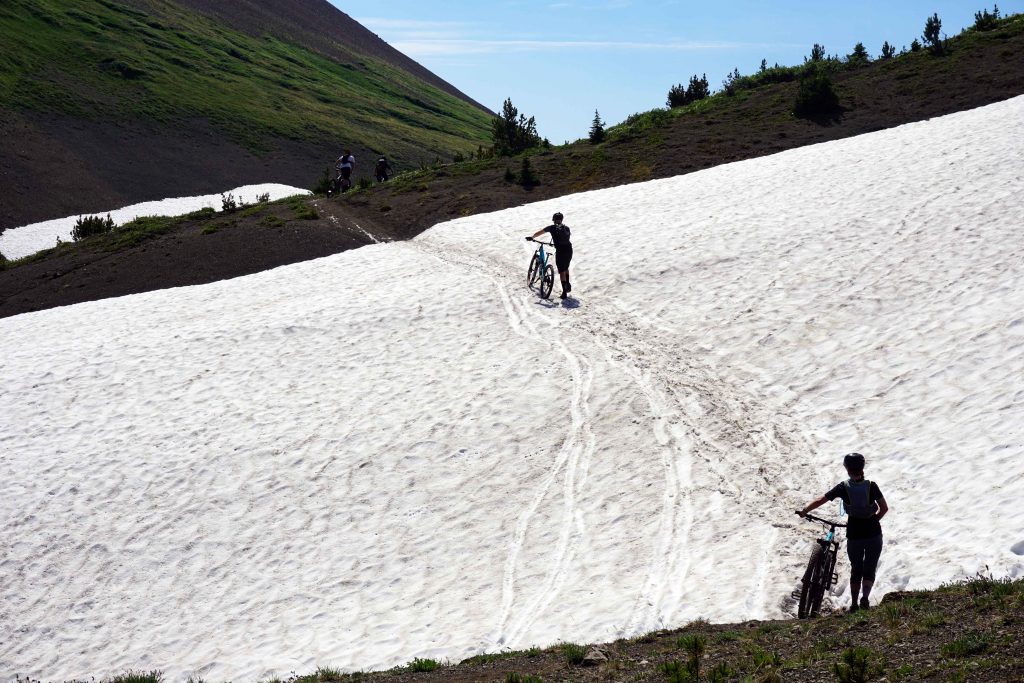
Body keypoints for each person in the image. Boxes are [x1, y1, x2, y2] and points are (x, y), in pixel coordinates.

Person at [797, 452, 889, 611]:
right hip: (873, 532)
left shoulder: (843, 487)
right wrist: (873, 521)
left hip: (854, 532)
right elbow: (884, 508)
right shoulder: (872, 486)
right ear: (862, 467)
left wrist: (805, 510)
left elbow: (821, 500)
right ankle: (865, 599)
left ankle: (854, 603)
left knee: (856, 567)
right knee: (870, 566)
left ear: (847, 469)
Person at [527, 212, 573, 299]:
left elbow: (539, 233)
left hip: (560, 251)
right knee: (566, 267)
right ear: (562, 219)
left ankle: (564, 292)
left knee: (561, 271)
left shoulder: (551, 228)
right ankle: (567, 284)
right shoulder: (566, 228)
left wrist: (532, 237)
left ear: (553, 220)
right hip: (569, 249)